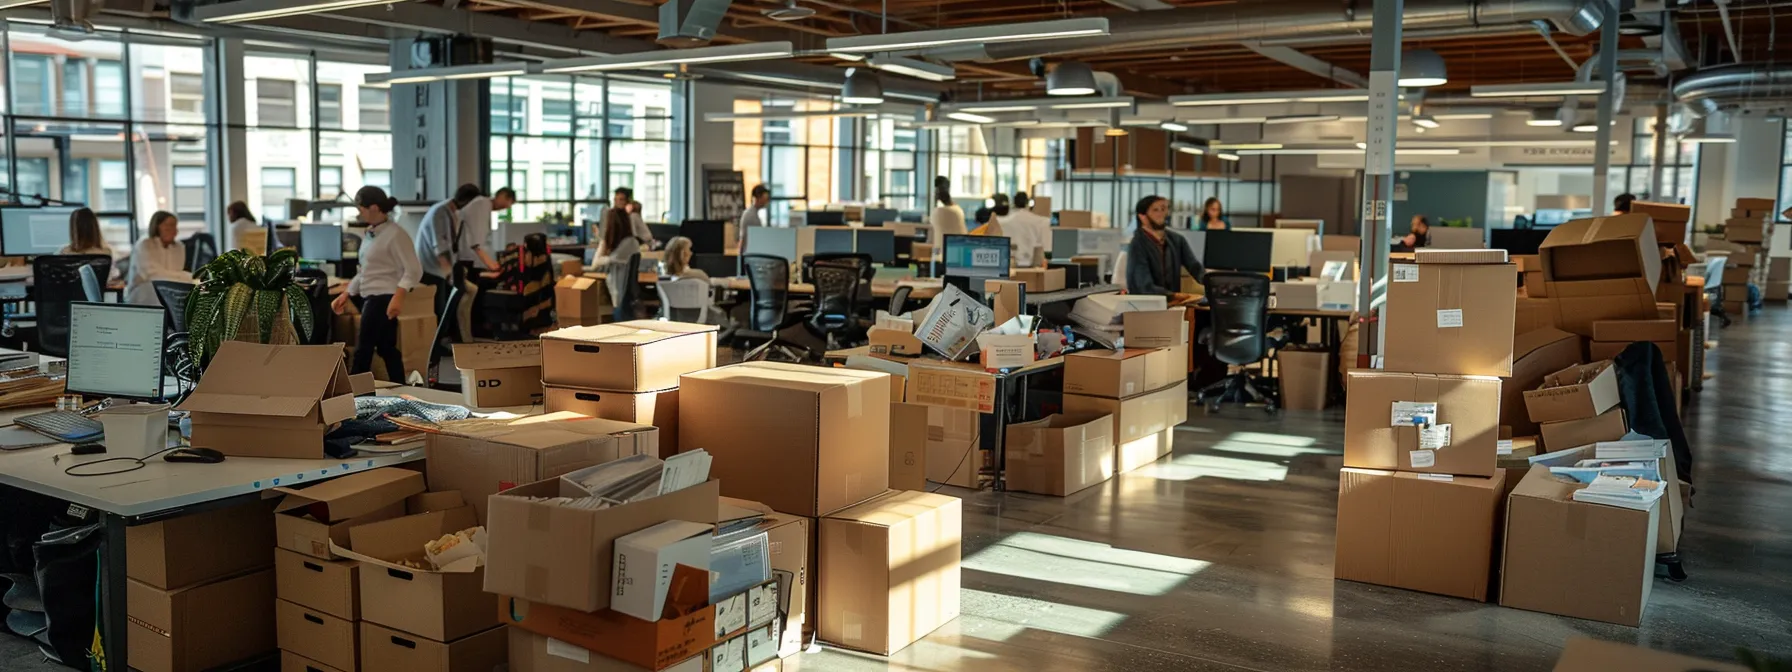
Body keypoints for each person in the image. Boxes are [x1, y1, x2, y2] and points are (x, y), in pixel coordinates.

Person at [332, 186, 421, 384]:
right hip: (372, 296)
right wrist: (346, 294)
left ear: (373, 207)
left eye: (361, 208)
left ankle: (354, 394)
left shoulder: (396, 234)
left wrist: (398, 297)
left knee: (364, 349)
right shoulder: (372, 234)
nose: (359, 213)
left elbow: (414, 269)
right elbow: (366, 270)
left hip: (382, 298)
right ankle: (400, 386)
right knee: (386, 348)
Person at [416, 183, 492, 343]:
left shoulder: (448, 211)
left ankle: (456, 338)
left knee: (460, 297)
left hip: (439, 267)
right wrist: (449, 274)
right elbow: (440, 247)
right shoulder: (440, 212)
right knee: (441, 308)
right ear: (467, 200)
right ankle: (439, 343)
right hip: (432, 268)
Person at [1124, 195, 1204, 304]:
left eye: (1163, 209)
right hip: (1145, 306)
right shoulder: (1137, 244)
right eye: (1155, 210)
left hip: (1174, 305)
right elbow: (1143, 286)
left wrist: (1214, 282)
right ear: (1142, 216)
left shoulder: (1177, 240)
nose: (1162, 214)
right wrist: (1173, 296)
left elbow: (1195, 268)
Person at [126, 211, 191, 305]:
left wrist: (187, 278)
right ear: (156, 226)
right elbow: (151, 275)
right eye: (168, 225)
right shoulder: (144, 244)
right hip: (143, 290)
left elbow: (176, 272)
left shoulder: (179, 247)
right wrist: (186, 277)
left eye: (174, 226)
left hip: (169, 289)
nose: (173, 230)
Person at [599, 207, 642, 323]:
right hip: (622, 294)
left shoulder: (629, 243)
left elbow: (599, 262)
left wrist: (603, 242)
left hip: (624, 296)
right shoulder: (625, 243)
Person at [1001, 192, 1053, 267]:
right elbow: (1047, 249)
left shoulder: (1002, 222)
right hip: (1034, 265)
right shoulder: (1042, 221)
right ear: (1028, 203)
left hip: (1009, 264)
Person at [464, 186, 516, 252]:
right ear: (501, 195)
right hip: (469, 253)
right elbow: (478, 241)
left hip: (474, 251)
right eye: (509, 201)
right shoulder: (482, 204)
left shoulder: (486, 207)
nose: (508, 206)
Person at [929, 177, 966, 257]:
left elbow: (933, 242)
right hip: (958, 255)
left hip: (939, 255)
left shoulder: (938, 212)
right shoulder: (958, 210)